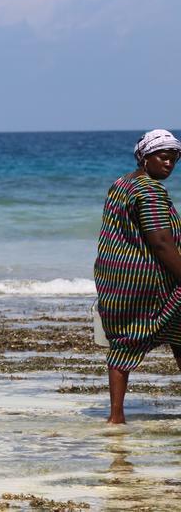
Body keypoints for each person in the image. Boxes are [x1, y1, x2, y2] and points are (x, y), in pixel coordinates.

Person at [95, 129, 181, 423]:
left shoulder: (121, 185)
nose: (169, 164)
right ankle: (116, 416)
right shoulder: (150, 191)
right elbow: (160, 241)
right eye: (163, 157)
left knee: (122, 344)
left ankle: (116, 417)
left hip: (116, 280)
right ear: (145, 157)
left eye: (174, 159)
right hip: (149, 283)